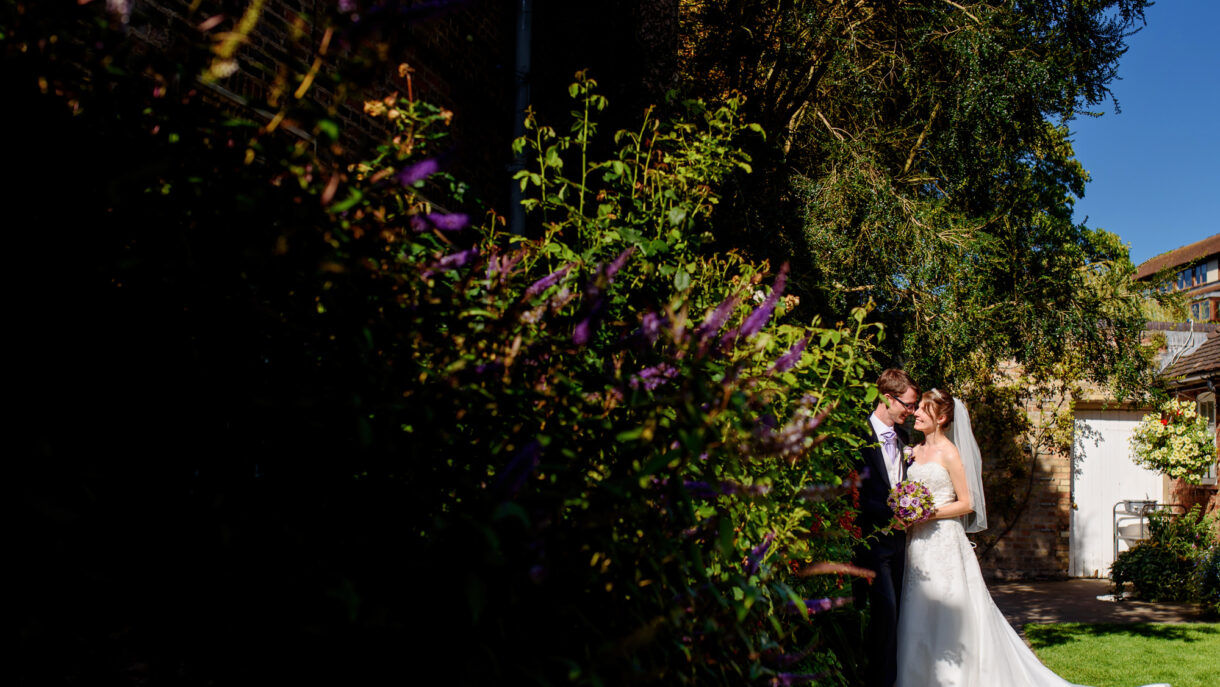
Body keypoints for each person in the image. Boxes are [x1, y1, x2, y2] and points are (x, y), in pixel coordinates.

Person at [897, 388, 1084, 687]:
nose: (916, 412)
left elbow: (967, 503)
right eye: (917, 407)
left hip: (944, 542)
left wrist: (927, 513)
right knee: (918, 608)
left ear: (942, 417)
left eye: (924, 409)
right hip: (917, 543)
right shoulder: (914, 451)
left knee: (948, 609)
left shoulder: (950, 452)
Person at [852, 368, 920, 687]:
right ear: (887, 398)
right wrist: (888, 515)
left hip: (900, 544)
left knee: (896, 619)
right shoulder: (857, 436)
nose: (912, 411)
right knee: (885, 615)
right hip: (870, 542)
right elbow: (852, 493)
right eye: (908, 404)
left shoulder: (905, 440)